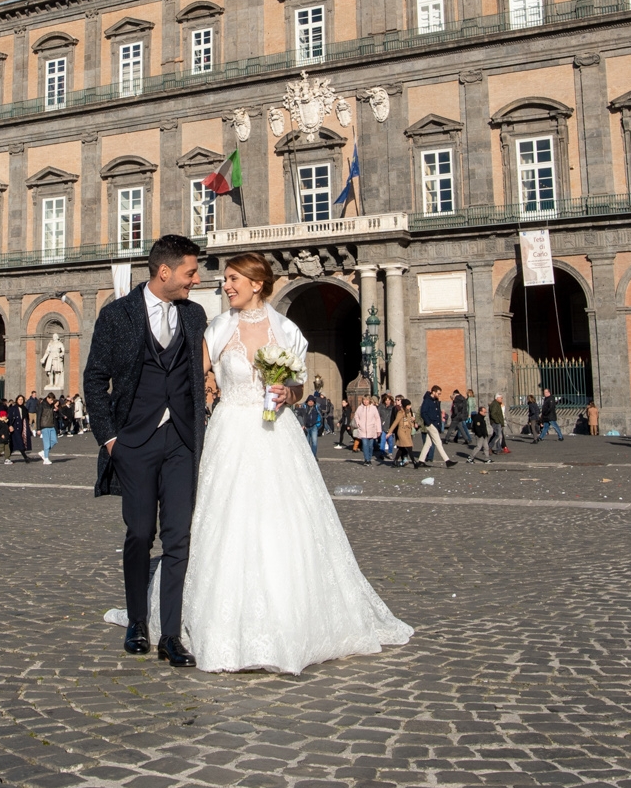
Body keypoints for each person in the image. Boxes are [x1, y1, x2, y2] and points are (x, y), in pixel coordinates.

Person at [107, 249, 412, 675]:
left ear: (257, 283)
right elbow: (188, 378)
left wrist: (291, 393)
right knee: (223, 522)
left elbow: (300, 385)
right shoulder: (216, 328)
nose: (225, 285)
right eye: (224, 279)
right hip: (229, 432)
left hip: (275, 436)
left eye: (233, 279)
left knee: (281, 522)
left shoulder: (286, 330)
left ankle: (288, 618)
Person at [86, 234, 210, 668]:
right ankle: (138, 620)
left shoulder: (195, 317)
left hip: (180, 440)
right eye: (191, 272)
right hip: (133, 442)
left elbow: (203, 372)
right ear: (165, 272)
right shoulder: (117, 315)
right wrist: (110, 439)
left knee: (179, 536)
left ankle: (170, 635)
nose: (196, 280)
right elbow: (94, 379)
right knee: (140, 533)